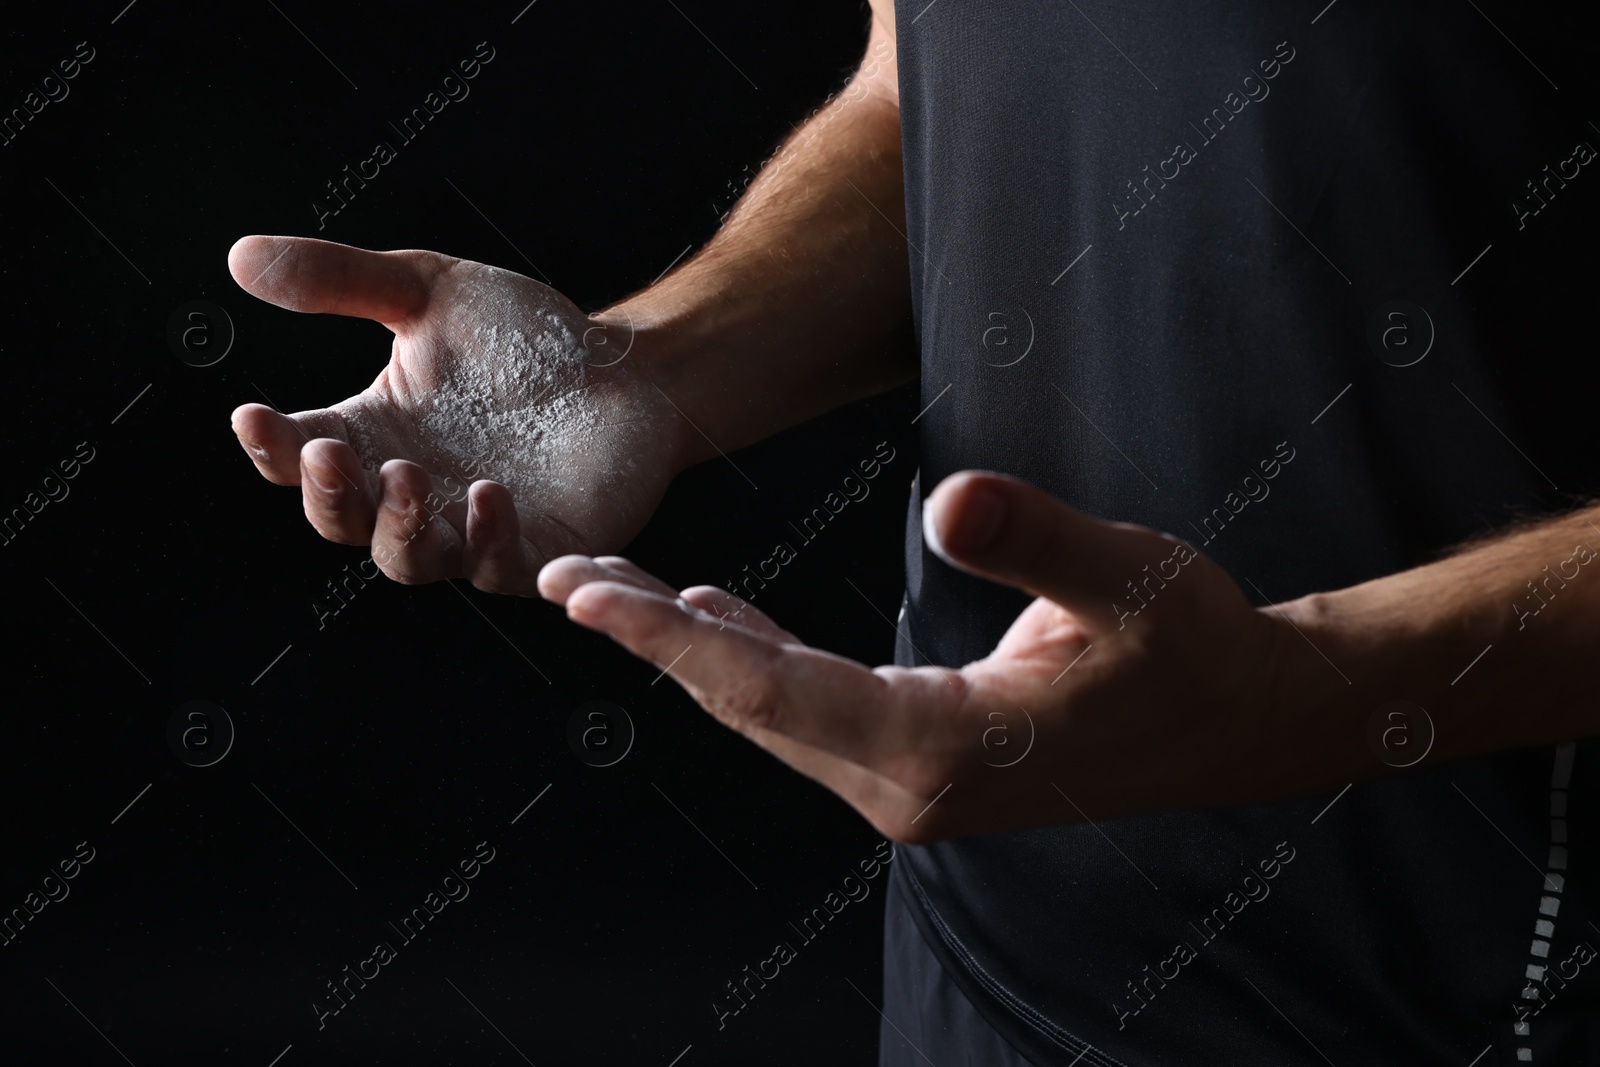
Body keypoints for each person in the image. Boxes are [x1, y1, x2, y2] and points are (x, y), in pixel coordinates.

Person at [227, 1, 1600, 1062]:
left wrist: (1305, 692)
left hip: (1466, 993)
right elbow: (936, 92)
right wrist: (650, 367)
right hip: (993, 952)